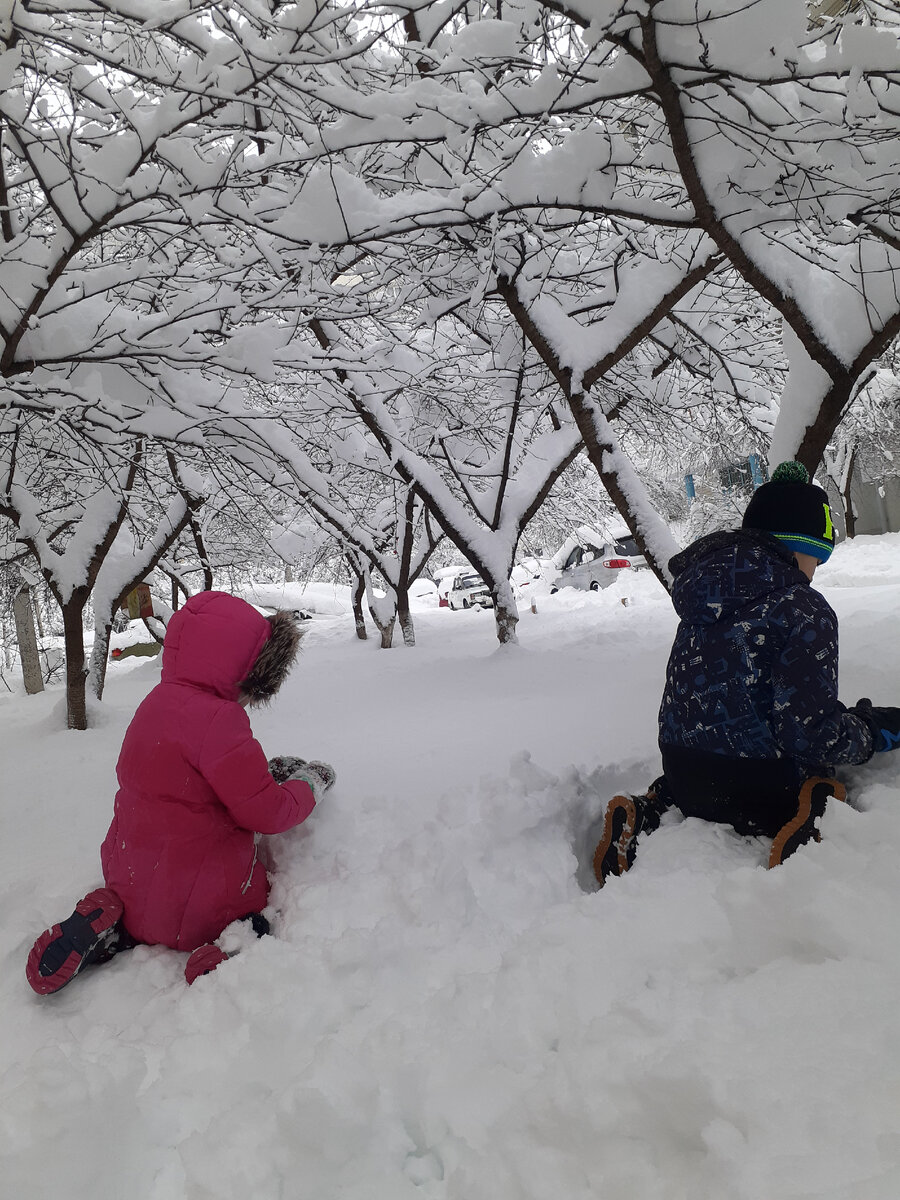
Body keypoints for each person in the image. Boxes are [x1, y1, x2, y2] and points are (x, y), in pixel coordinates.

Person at [592, 461, 900, 886]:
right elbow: (808, 733)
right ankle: (806, 821)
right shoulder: (803, 609)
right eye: (817, 558)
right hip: (764, 790)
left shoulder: (701, 599)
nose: (815, 572)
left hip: (684, 774)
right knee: (819, 775)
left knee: (697, 771)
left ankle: (647, 811)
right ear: (798, 547)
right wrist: (868, 729)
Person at [26, 591, 334, 993]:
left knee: (145, 889)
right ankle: (226, 950)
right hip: (206, 906)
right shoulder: (222, 720)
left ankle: (113, 924)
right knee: (260, 912)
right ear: (245, 669)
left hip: (130, 880)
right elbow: (268, 814)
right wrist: (308, 783)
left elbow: (178, 783)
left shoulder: (153, 704)